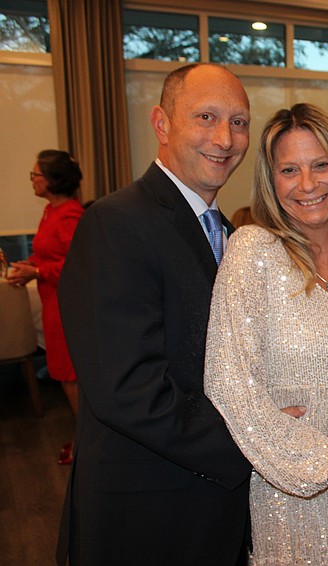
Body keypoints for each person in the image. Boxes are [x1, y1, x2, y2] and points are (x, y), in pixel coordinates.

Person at [56, 63, 253, 565]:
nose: (224, 138)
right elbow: (127, 390)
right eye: (205, 117)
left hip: (208, 510)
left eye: (238, 122)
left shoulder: (227, 232)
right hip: (146, 515)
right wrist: (254, 443)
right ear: (161, 124)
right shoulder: (116, 222)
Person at [204, 103, 328, 564]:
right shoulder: (253, 250)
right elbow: (226, 378)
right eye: (289, 169)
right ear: (272, 182)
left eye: (321, 165)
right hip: (290, 479)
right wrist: (302, 457)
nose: (307, 185)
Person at [7, 150, 84, 464]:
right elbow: (49, 253)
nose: (32, 180)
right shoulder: (50, 212)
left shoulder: (70, 215)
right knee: (64, 374)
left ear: (52, 180)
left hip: (66, 304)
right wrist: (31, 264)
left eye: (35, 175)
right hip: (52, 302)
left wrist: (38, 272)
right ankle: (83, 438)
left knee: (70, 375)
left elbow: (77, 265)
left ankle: (85, 443)